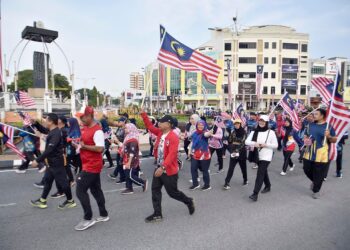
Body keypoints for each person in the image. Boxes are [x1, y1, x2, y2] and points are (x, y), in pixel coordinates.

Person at [141, 112, 195, 223]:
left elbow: (172, 155)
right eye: (159, 122)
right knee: (155, 190)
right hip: (159, 167)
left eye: (162, 122)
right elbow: (150, 127)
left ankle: (188, 201)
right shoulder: (160, 133)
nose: (159, 123)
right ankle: (157, 214)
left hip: (168, 170)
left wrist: (162, 168)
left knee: (172, 193)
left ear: (169, 124)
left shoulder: (173, 137)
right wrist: (143, 115)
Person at [30, 113, 76, 209]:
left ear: (51, 122)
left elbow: (50, 149)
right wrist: (35, 123)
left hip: (56, 162)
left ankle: (70, 201)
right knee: (47, 181)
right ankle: (42, 200)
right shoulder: (52, 130)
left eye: (46, 120)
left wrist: (37, 160)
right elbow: (43, 130)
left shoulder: (56, 133)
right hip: (51, 162)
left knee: (63, 183)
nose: (45, 122)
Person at [73, 106, 109, 231]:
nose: (81, 119)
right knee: (95, 190)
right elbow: (84, 144)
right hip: (87, 163)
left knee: (80, 190)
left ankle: (88, 218)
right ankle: (104, 214)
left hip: (92, 165)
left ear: (89, 116)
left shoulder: (97, 130)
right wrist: (77, 144)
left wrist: (84, 147)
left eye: (82, 117)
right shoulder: (85, 128)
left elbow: (100, 148)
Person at [303, 109, 337, 199]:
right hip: (308, 152)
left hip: (321, 154)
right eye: (313, 114)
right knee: (306, 169)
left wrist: (329, 136)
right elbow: (306, 135)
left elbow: (334, 140)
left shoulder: (328, 126)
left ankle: (316, 190)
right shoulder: (310, 125)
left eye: (316, 114)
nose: (314, 115)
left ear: (322, 116)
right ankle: (315, 182)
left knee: (319, 173)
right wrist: (305, 139)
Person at [245, 115, 278, 202]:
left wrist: (266, 145)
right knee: (263, 171)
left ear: (266, 122)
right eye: (260, 121)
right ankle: (268, 185)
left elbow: (276, 145)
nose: (261, 122)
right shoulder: (254, 131)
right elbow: (246, 141)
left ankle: (255, 193)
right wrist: (254, 143)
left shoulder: (271, 132)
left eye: (263, 121)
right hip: (257, 155)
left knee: (260, 173)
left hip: (267, 156)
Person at [120, 123, 148, 194]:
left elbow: (132, 152)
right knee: (127, 174)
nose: (124, 129)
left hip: (132, 160)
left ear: (131, 129)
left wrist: (129, 162)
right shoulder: (128, 137)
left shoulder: (133, 139)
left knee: (130, 175)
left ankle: (143, 182)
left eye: (126, 128)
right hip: (126, 159)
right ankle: (129, 188)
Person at [223, 119, 248, 190]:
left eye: (238, 124)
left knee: (243, 168)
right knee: (231, 168)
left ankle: (245, 179)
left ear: (240, 124)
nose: (236, 125)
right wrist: (227, 134)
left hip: (242, 152)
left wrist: (236, 150)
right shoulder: (233, 132)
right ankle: (226, 182)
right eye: (235, 124)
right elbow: (230, 141)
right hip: (233, 152)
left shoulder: (244, 132)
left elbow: (243, 143)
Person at [189, 120, 212, 191]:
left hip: (204, 155)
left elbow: (207, 134)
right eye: (199, 125)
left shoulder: (205, 132)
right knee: (193, 168)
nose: (200, 126)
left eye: (202, 125)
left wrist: (210, 131)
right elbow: (192, 143)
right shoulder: (195, 133)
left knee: (205, 170)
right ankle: (195, 184)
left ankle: (207, 185)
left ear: (204, 125)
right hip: (195, 154)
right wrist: (189, 152)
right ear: (197, 125)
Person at [109, 117, 127, 183]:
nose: (118, 123)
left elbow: (124, 139)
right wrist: (113, 140)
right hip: (119, 148)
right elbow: (117, 137)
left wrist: (116, 139)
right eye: (118, 121)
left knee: (121, 163)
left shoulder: (125, 129)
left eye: (119, 122)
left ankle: (123, 178)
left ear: (123, 122)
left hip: (124, 148)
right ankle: (122, 177)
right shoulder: (119, 128)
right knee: (119, 163)